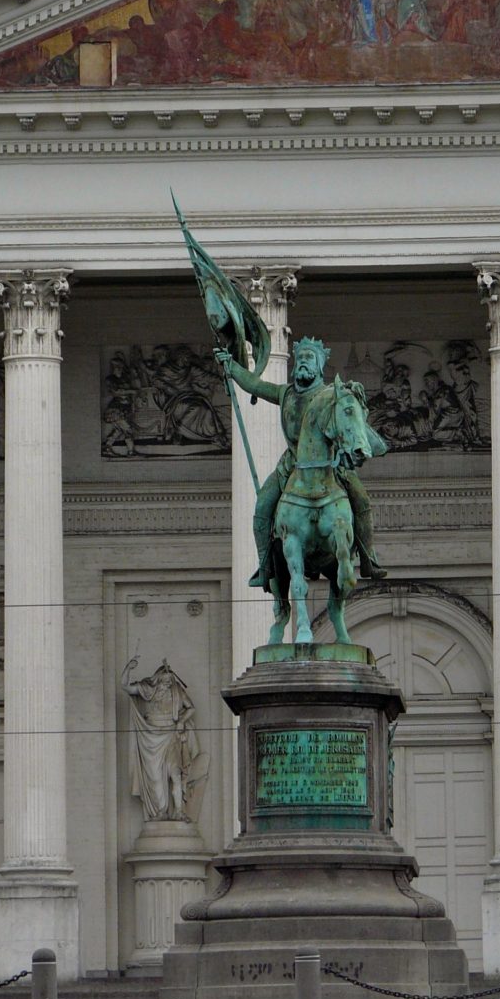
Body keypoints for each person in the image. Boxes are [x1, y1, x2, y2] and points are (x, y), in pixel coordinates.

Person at [215, 335, 387, 595]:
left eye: (310, 359)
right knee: (262, 506)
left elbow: (347, 423)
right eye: (301, 358)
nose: (304, 363)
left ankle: (368, 558)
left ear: (320, 367)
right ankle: (264, 567)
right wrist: (232, 366)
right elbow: (255, 385)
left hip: (330, 465)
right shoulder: (286, 394)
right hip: (291, 466)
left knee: (361, 499)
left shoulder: (328, 395)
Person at [121, 657, 200, 822]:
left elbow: (191, 708)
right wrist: (128, 669)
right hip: (151, 738)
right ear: (157, 679)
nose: (168, 684)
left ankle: (179, 811)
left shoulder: (177, 691)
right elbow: (126, 687)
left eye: (170, 681)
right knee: (156, 779)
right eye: (165, 681)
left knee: (175, 775)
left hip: (171, 736)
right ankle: (160, 812)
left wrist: (181, 721)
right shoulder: (147, 689)